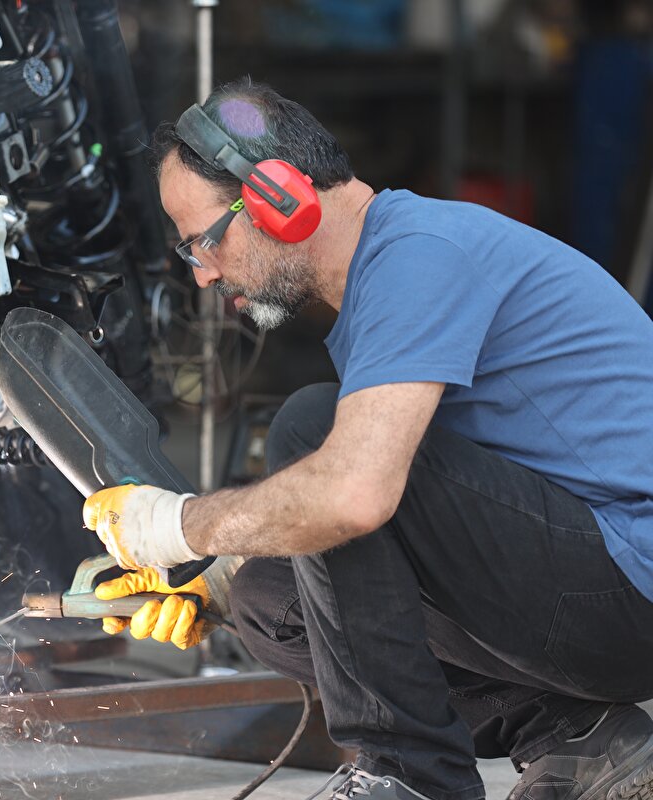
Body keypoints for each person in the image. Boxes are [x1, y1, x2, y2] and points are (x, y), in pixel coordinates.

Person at [81, 78, 653, 800]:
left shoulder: (420, 256)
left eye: (204, 242)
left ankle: (407, 779)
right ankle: (581, 738)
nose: (204, 275)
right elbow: (391, 527)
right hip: (591, 587)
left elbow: (355, 492)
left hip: (631, 585)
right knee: (269, 597)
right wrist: (220, 577)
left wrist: (180, 526)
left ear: (278, 198)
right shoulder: (383, 281)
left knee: (313, 430)